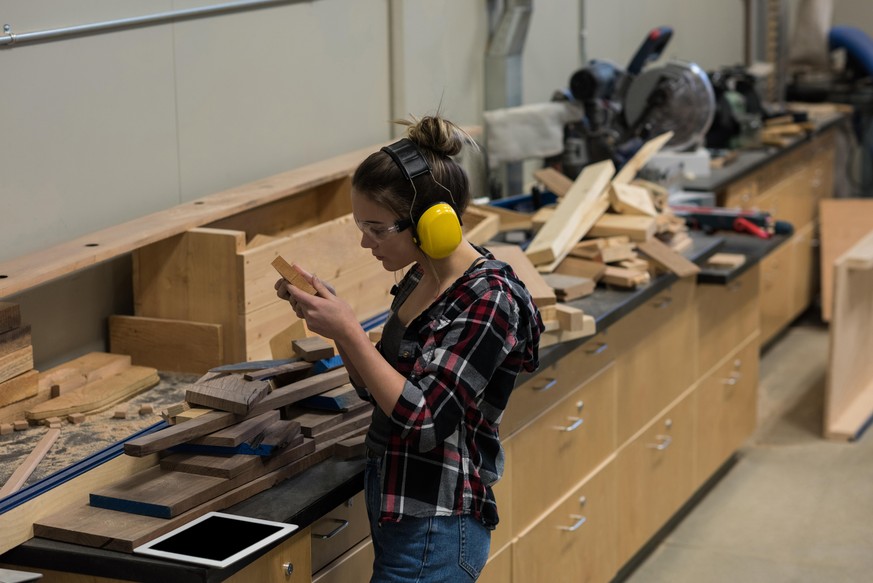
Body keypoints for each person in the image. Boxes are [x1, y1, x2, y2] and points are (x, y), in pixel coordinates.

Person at [275, 114, 543, 582]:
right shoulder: (422, 275)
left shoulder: (489, 300)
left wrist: (352, 334)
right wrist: (336, 326)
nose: (365, 242)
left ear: (430, 222)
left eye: (378, 229)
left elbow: (424, 420)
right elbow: (381, 389)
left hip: (437, 523)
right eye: (362, 225)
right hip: (398, 498)